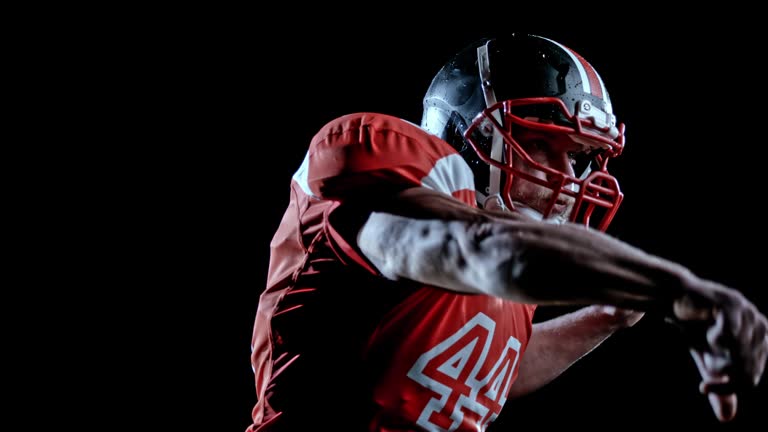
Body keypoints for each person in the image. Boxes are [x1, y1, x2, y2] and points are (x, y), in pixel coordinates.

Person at [245, 33, 768, 431]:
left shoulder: (517, 265)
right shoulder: (392, 181)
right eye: (546, 144)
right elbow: (481, 250)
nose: (573, 178)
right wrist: (676, 290)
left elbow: (482, 371)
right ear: (475, 138)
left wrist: (604, 318)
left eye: (585, 158)